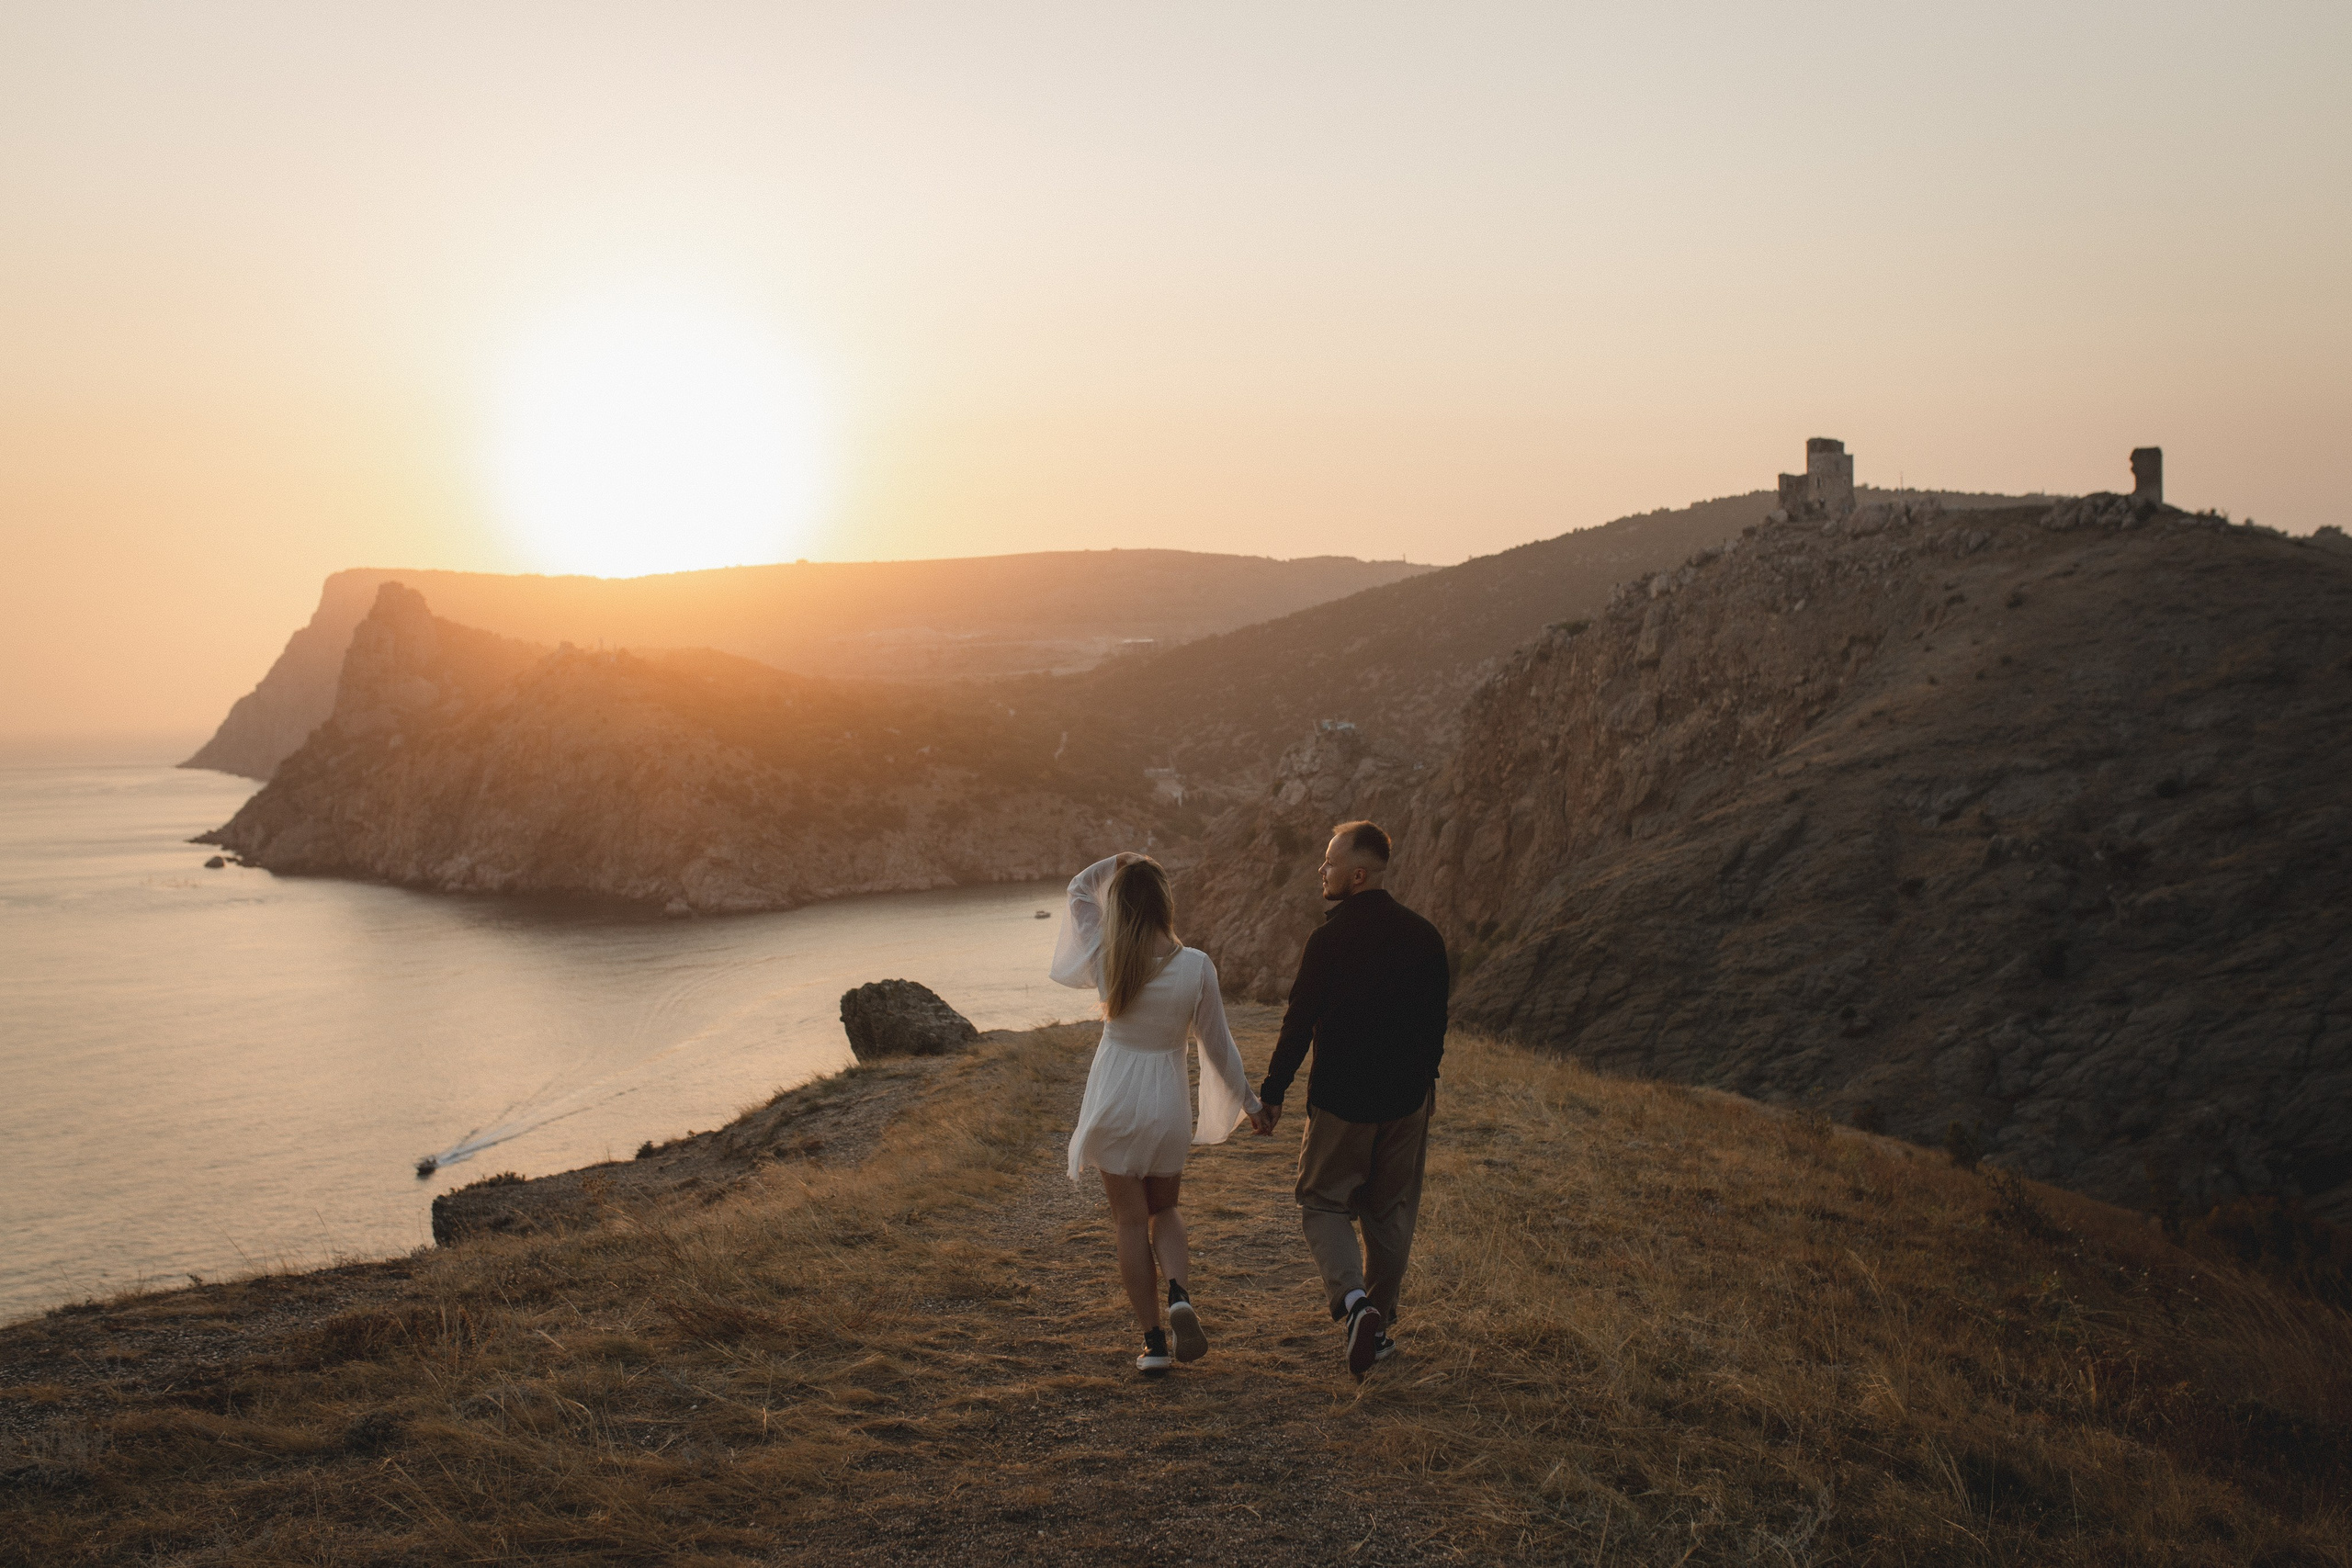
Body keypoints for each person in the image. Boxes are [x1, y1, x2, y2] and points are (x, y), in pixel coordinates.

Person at [1053, 852, 1268, 1375]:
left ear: (1120, 907)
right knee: (1165, 1210)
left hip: (1115, 1098)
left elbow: (1079, 891)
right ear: (1166, 904)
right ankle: (1179, 1293)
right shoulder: (1195, 965)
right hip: (1167, 1103)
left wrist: (1119, 860)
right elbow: (1218, 1046)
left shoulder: (1107, 954)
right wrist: (1251, 1104)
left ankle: (1152, 1345)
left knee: (1129, 1218)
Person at [1257, 819, 1449, 1381]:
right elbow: (1437, 1024)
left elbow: (1298, 1023)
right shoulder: (1425, 936)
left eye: (1331, 863)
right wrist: (1423, 1081)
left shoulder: (1330, 940)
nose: (1322, 871)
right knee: (1388, 1216)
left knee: (1322, 1205)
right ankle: (1379, 1331)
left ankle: (1355, 1306)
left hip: (1343, 1101)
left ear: (1358, 874)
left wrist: (1274, 1094)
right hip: (1408, 1102)